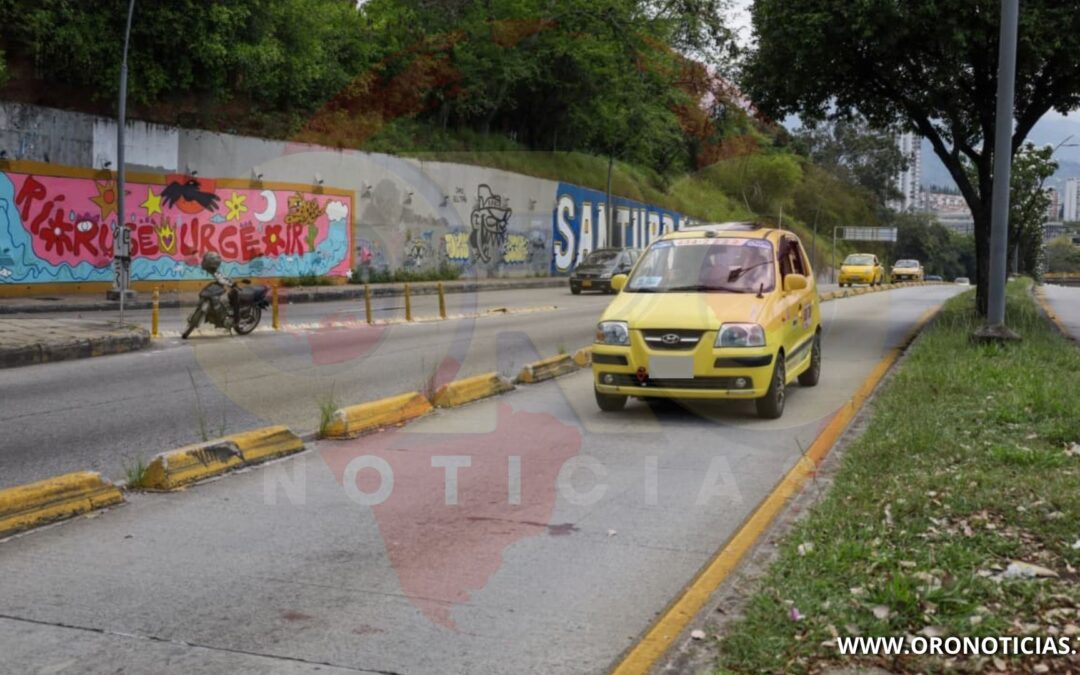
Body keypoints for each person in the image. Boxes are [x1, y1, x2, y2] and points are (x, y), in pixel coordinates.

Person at [200, 251, 240, 327]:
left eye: (206, 261)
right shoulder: (211, 271)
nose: (204, 263)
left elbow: (223, 278)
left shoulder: (218, 272)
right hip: (220, 287)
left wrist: (230, 284)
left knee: (233, 295)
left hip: (229, 288)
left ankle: (236, 320)